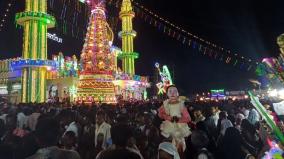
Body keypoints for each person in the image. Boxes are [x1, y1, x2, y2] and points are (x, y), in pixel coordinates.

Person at [158, 86, 191, 151]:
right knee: (169, 148)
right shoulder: (165, 104)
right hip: (168, 129)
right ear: (167, 94)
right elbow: (160, 114)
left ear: (178, 93)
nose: (172, 93)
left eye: (174, 91)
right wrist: (168, 117)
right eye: (170, 91)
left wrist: (179, 120)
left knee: (180, 147)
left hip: (180, 129)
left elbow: (188, 118)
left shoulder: (181, 104)